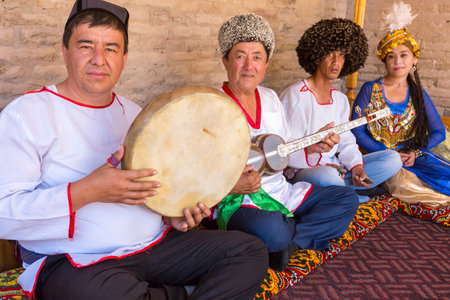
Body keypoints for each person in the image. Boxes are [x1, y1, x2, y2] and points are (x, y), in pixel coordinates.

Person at [0, 1, 269, 299]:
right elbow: (4, 216)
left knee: (249, 252)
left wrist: (173, 216)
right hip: (79, 261)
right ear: (65, 52)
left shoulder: (137, 114)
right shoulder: (27, 113)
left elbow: (159, 190)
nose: (99, 59)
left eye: (111, 49)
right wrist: (87, 190)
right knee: (101, 293)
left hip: (155, 247)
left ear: (124, 58)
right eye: (86, 46)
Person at [215, 13, 359, 272]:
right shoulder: (211, 105)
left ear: (266, 63)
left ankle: (290, 245)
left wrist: (311, 147)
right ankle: (290, 236)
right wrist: (232, 185)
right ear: (225, 60)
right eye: (240, 56)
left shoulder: (270, 98)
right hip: (240, 198)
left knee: (346, 199)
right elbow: (200, 171)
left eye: (257, 57)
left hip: (281, 191)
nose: (249, 65)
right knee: (271, 229)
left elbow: (284, 151)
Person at [279, 18, 403, 203]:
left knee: (393, 159)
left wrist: (356, 167)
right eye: (330, 53)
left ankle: (345, 191)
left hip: (338, 169)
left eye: (342, 55)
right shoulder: (296, 95)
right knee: (327, 176)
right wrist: (313, 149)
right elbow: (283, 151)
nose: (337, 62)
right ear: (317, 54)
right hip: (305, 171)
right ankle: (351, 195)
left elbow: (346, 142)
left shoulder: (340, 99)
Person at [351, 2, 450, 204]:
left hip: (413, 158)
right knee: (406, 185)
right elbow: (356, 130)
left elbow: (439, 132)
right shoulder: (370, 90)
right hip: (383, 159)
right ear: (384, 61)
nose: (398, 61)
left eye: (404, 55)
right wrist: (389, 154)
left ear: (414, 59)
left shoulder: (417, 94)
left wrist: (415, 152)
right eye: (391, 57)